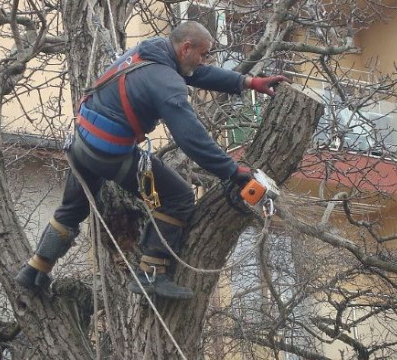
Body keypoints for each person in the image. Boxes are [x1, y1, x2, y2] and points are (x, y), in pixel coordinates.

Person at [15, 21, 288, 299]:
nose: (206, 60)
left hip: (81, 143)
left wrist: (248, 82)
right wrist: (231, 170)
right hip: (110, 154)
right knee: (179, 196)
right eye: (204, 54)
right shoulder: (166, 81)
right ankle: (151, 274)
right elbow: (190, 137)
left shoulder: (153, 51)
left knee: (72, 210)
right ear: (185, 48)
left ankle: (35, 268)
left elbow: (196, 73)